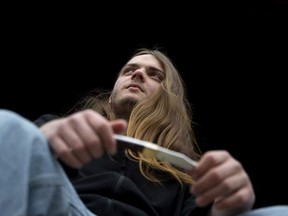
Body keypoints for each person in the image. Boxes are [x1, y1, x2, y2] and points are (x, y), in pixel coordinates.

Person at [1, 48, 287, 215]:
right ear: (111, 92)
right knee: (9, 126)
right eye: (129, 69)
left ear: (168, 97)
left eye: (154, 75)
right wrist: (39, 143)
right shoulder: (63, 129)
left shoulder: (187, 171)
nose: (137, 74)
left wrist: (232, 200)